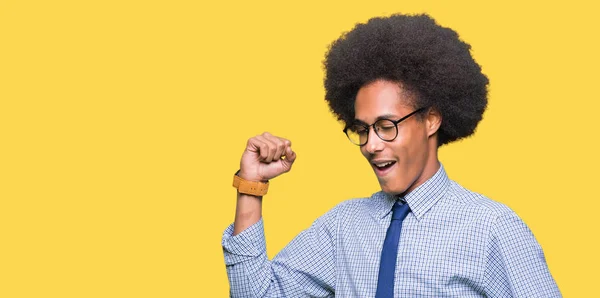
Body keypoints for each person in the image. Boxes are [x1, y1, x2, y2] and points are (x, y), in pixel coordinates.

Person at [222, 13, 561, 297]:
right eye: (363, 129)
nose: (371, 144)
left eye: (386, 126)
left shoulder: (492, 228)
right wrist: (250, 187)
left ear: (430, 120)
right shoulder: (344, 226)